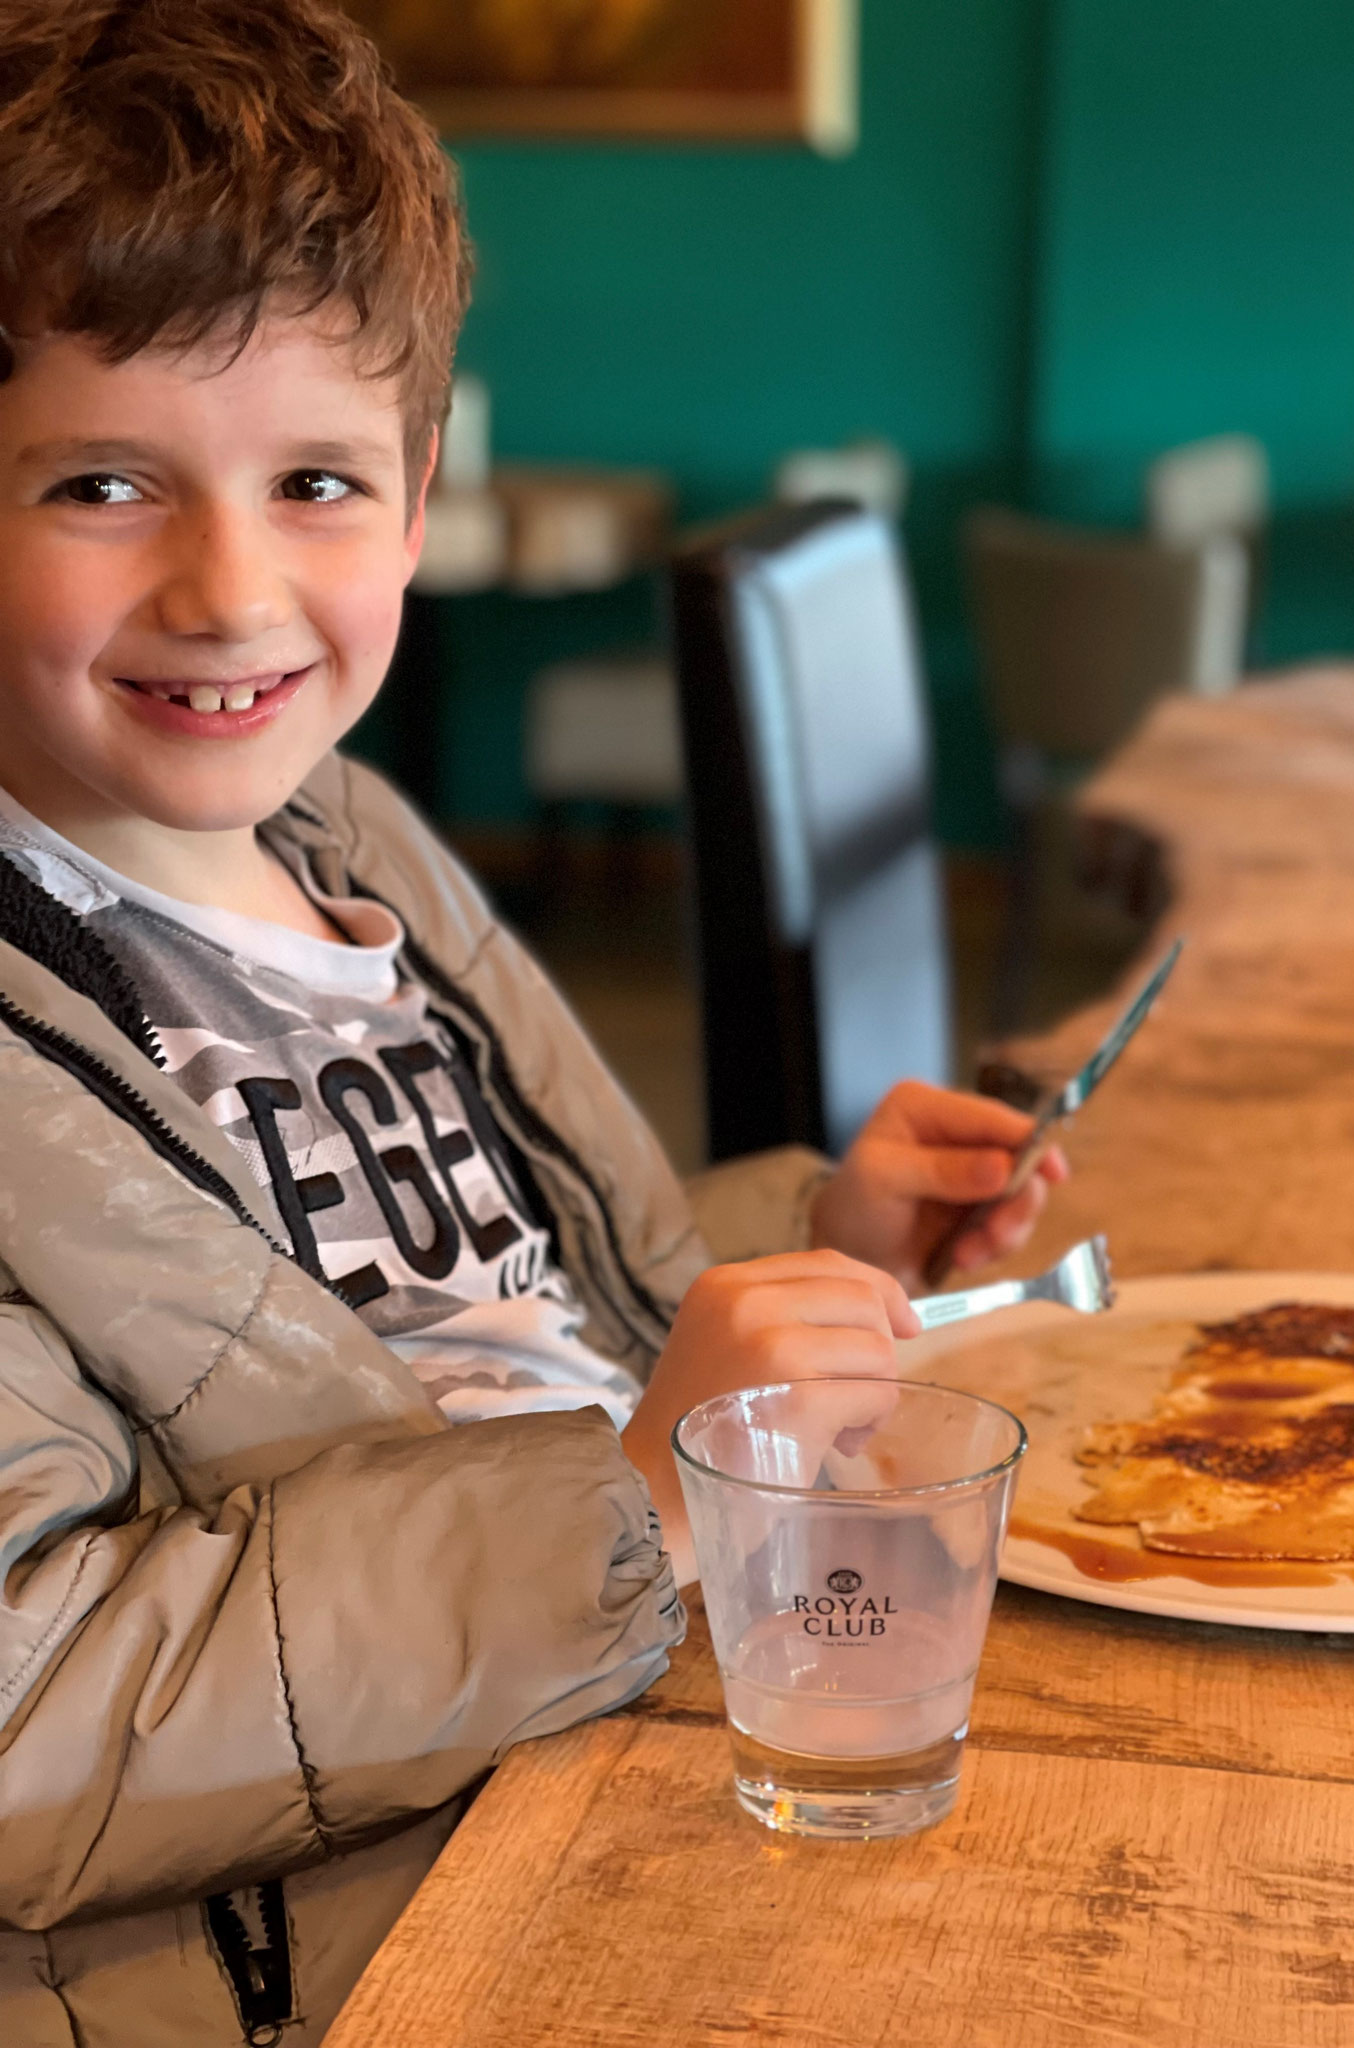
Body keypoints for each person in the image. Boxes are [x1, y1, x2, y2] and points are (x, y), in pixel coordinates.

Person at [0, 3, 1066, 2041]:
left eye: (317, 480)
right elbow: (35, 1725)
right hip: (366, 1931)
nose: (231, 589)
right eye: (107, 483)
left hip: (645, 1722)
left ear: (419, 498)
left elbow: (519, 1296)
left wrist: (820, 1243)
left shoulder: (360, 840)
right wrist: (633, 1504)